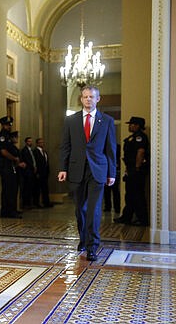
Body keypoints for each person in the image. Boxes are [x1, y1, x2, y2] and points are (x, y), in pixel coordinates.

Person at [57, 85, 116, 261]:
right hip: (77, 170)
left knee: (94, 210)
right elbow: (65, 146)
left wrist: (111, 172)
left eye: (91, 97)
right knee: (79, 210)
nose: (88, 99)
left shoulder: (106, 121)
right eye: (85, 97)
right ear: (81, 99)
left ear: (98, 99)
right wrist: (63, 168)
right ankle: (83, 238)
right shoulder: (71, 120)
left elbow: (111, 148)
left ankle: (92, 247)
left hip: (98, 170)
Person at [114, 117, 149, 226]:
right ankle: (126, 217)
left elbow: (141, 152)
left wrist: (137, 168)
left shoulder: (140, 137)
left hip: (136, 171)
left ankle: (142, 219)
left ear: (137, 125)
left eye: (132, 124)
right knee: (130, 195)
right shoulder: (132, 137)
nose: (130, 126)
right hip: (131, 169)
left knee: (137, 195)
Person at [0, 117, 23, 218]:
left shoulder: (8, 137)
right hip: (5, 166)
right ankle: (7, 211)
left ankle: (12, 210)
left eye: (10, 124)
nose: (9, 126)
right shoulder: (2, 137)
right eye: (7, 125)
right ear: (3, 125)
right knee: (8, 189)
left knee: (13, 189)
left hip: (10, 166)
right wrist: (14, 158)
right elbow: (3, 152)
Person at [33, 137, 53, 208]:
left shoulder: (44, 152)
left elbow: (46, 163)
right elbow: (36, 163)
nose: (42, 143)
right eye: (40, 142)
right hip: (39, 173)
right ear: (37, 143)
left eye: (42, 142)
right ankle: (36, 203)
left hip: (45, 173)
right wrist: (37, 173)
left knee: (45, 188)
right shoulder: (35, 151)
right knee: (37, 189)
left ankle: (46, 202)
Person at [20, 137, 39, 208]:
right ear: (26, 142)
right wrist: (32, 167)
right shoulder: (24, 150)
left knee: (31, 188)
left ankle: (30, 203)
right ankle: (26, 203)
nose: (30, 143)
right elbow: (27, 161)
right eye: (29, 141)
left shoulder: (32, 150)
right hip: (27, 172)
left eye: (31, 141)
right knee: (26, 188)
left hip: (32, 171)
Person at [104, 143, 121, 213]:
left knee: (115, 190)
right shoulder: (106, 146)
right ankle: (109, 207)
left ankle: (115, 207)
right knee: (107, 190)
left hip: (114, 170)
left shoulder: (117, 147)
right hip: (108, 169)